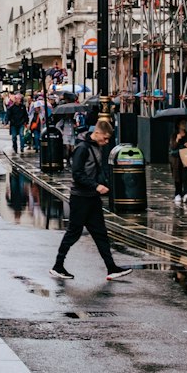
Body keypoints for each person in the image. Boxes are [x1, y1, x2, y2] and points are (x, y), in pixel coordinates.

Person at [51, 118, 131, 282]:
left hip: (92, 198)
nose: (106, 141)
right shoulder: (82, 148)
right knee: (73, 233)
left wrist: (103, 184)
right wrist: (95, 186)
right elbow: (77, 174)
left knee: (100, 233)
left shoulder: (96, 147)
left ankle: (111, 268)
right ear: (97, 133)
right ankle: (58, 266)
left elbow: (96, 169)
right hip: (80, 198)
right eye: (105, 138)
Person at [169, 118, 187, 206]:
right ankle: (178, 193)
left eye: (185, 123)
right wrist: (177, 140)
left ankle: (186, 192)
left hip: (186, 158)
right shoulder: (174, 135)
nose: (184, 125)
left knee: (185, 176)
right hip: (177, 159)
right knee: (177, 177)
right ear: (178, 125)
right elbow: (172, 147)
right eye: (182, 123)